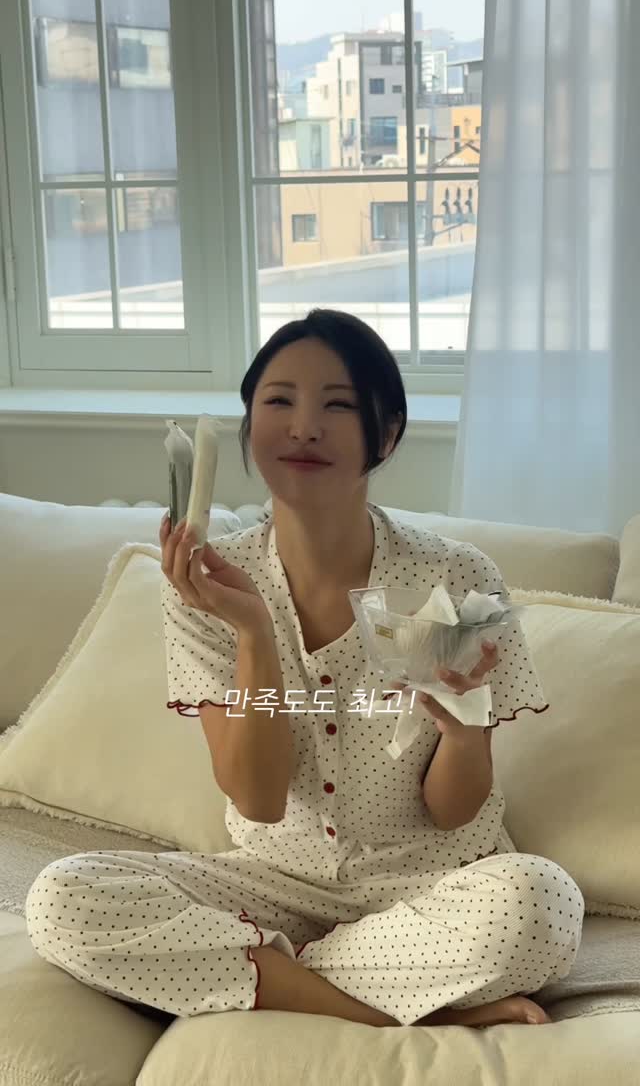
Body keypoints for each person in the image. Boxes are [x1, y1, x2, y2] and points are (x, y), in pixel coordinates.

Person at [24, 308, 584, 1030]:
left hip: (433, 887)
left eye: (338, 405)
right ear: (249, 426)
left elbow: (455, 811)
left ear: (386, 434)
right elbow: (258, 801)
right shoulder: (209, 583)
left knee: (540, 905)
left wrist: (462, 731)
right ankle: (401, 1008)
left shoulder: (452, 577)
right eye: (279, 401)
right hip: (273, 885)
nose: (304, 427)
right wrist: (254, 632)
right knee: (63, 899)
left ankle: (274, 977)